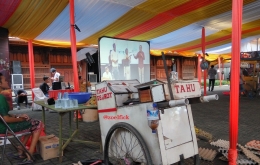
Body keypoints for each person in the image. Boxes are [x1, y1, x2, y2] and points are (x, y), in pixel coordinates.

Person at [0, 94, 44, 164]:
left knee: (30, 124)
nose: (8, 82)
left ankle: (21, 149)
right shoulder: (1, 97)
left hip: (2, 126)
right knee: (38, 123)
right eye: (6, 81)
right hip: (4, 128)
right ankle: (30, 153)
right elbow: (6, 119)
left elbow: (4, 115)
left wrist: (18, 116)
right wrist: (21, 119)